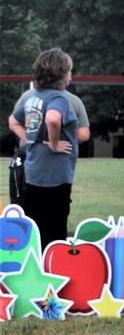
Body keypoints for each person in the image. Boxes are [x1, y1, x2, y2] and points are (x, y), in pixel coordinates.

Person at [7, 49, 79, 248]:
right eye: (69, 71)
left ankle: (35, 270)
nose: (71, 75)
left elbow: (13, 121)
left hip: (34, 175)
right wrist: (54, 144)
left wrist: (32, 140)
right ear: (61, 73)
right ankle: (53, 273)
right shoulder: (59, 98)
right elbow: (53, 119)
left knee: (36, 232)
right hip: (55, 177)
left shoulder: (33, 98)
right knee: (55, 233)